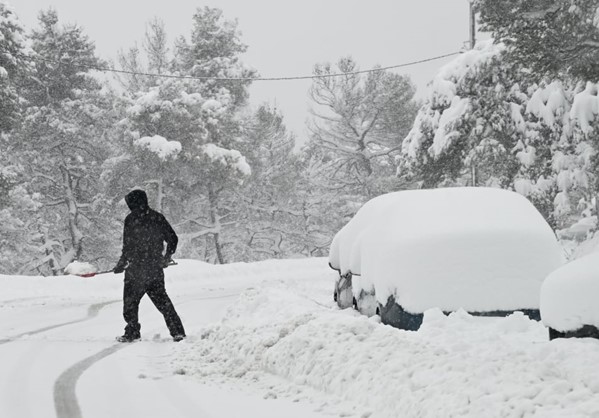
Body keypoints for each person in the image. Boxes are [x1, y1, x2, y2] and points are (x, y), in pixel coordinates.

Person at [113, 189, 186, 343]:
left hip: (136, 270)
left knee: (130, 304)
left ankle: (133, 332)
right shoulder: (156, 218)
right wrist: (166, 257)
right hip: (153, 269)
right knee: (163, 303)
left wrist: (122, 263)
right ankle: (177, 333)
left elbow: (127, 246)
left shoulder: (132, 220)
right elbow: (172, 238)